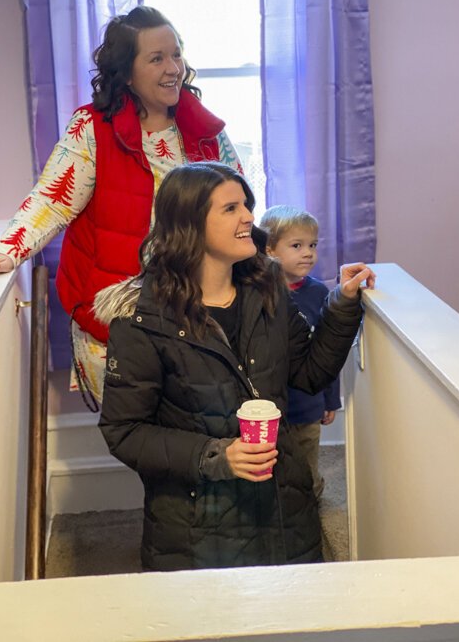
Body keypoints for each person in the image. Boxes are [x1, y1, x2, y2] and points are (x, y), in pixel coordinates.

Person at [94, 162, 376, 571]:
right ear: (190, 224)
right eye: (230, 209)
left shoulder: (268, 292)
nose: (248, 216)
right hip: (196, 528)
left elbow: (310, 373)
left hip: (284, 509)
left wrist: (342, 305)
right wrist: (216, 456)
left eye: (246, 204)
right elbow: (125, 432)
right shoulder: (142, 319)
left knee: (292, 626)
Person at [0, 6, 242, 406]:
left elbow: (241, 208)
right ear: (127, 74)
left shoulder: (206, 133)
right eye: (157, 58)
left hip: (196, 315)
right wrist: (7, 251)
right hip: (117, 323)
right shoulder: (92, 130)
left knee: (195, 440)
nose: (173, 68)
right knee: (141, 442)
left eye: (177, 54)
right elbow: (52, 199)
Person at [260, 205, 341, 500]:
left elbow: (327, 352)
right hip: (267, 407)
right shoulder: (256, 292)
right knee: (271, 471)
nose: (308, 253)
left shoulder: (319, 294)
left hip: (307, 406)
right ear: (269, 249)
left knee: (306, 467)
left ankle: (311, 503)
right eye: (297, 246)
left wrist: (331, 398)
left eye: (312, 245)